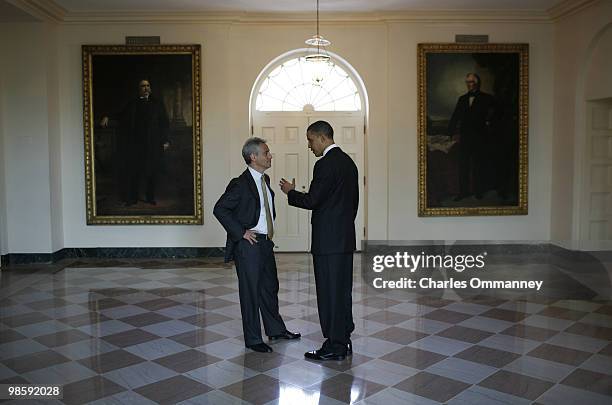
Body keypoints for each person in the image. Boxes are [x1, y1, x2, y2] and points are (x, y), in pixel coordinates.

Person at [280, 121, 359, 361]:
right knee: (342, 292)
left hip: (328, 243)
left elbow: (313, 200)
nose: (309, 145)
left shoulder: (325, 164)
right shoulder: (349, 163)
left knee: (329, 293)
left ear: (323, 138)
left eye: (310, 140)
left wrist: (290, 192)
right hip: (344, 239)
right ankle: (343, 339)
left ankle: (335, 346)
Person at [214, 137, 300, 353]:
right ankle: (253, 339)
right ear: (253, 157)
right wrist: (241, 232)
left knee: (269, 288)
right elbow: (220, 209)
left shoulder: (265, 180)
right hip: (249, 245)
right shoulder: (240, 183)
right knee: (250, 292)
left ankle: (275, 330)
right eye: (266, 152)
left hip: (265, 243)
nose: (270, 156)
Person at [100, 79, 170, 206]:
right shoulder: (133, 103)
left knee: (152, 172)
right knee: (134, 172)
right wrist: (107, 116)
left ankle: (150, 197)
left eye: (148, 85)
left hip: (153, 143)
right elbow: (120, 113)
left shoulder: (158, 104)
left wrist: (165, 140)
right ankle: (132, 198)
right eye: (143, 86)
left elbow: (164, 123)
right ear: (139, 89)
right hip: (136, 144)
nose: (146, 88)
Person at [447, 73, 496, 200]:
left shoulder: (487, 98)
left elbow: (496, 115)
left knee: (479, 165)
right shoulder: (462, 99)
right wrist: (449, 133)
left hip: (480, 137)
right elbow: (455, 116)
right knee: (463, 165)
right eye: (468, 82)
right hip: (465, 137)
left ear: (477, 83)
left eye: (472, 82)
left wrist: (489, 124)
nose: (470, 84)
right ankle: (463, 192)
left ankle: (479, 191)